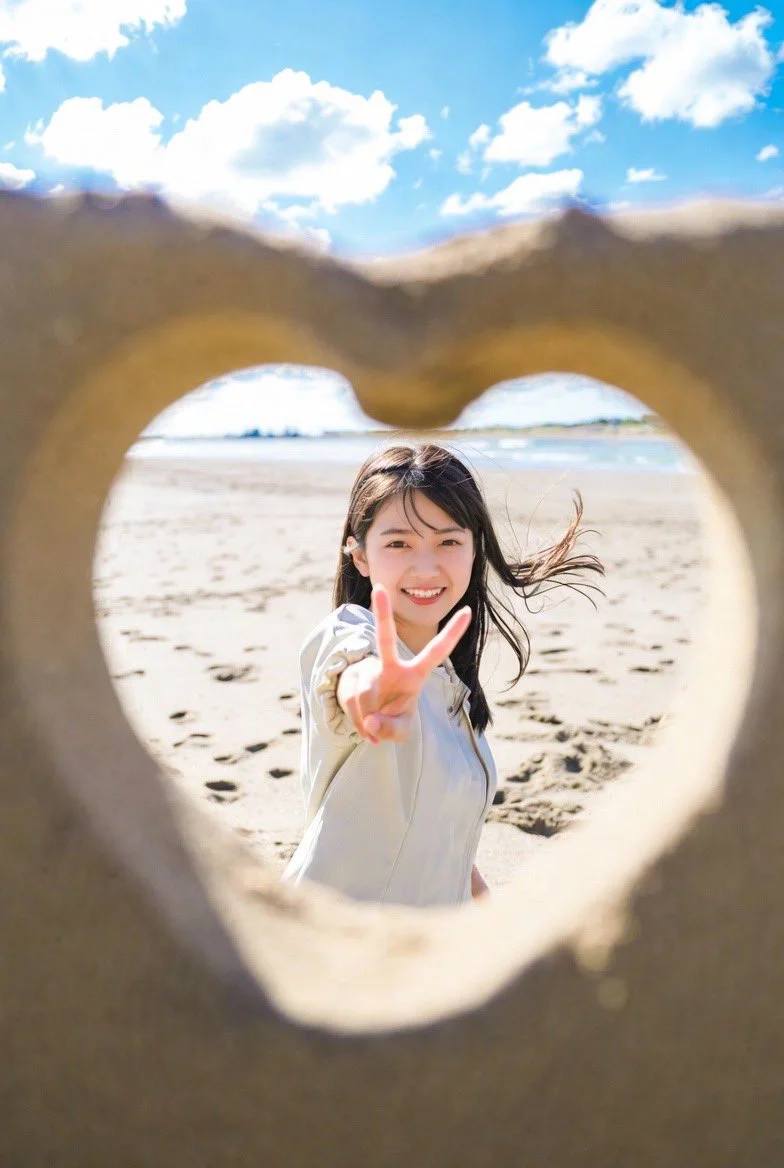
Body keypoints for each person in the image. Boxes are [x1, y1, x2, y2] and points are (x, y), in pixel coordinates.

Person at [281, 442, 604, 908]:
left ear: (475, 549)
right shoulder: (351, 634)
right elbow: (354, 675)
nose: (426, 566)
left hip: (425, 954)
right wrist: (374, 695)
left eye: (448, 541)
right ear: (360, 555)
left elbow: (440, 834)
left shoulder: (450, 682)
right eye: (398, 543)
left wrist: (487, 915)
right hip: (338, 949)